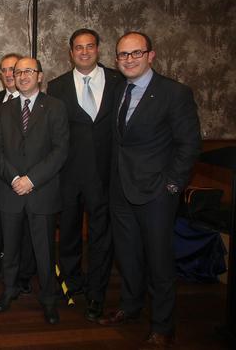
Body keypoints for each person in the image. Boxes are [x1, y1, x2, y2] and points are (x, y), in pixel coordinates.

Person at [98, 32, 201, 347]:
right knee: (128, 256)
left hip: (156, 193)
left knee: (159, 261)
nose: (129, 60)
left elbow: (189, 144)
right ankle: (130, 308)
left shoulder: (174, 93)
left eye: (136, 53)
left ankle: (163, 325)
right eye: (123, 54)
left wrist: (172, 185)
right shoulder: (119, 89)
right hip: (121, 191)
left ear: (151, 55)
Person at [46, 29, 124, 321]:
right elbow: (54, 133)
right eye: (78, 47)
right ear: (71, 52)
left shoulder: (118, 81)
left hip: (106, 174)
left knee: (102, 237)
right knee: (68, 235)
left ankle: (96, 293)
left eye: (89, 46)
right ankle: (71, 283)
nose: (84, 52)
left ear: (98, 49)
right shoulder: (57, 86)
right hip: (68, 175)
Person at [0, 57, 69, 324]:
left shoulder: (55, 107)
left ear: (40, 76)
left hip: (41, 190)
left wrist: (31, 180)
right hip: (10, 190)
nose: (22, 76)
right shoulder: (3, 109)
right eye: (18, 72)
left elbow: (60, 150)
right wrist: (14, 178)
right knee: (10, 248)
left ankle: (48, 299)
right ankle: (9, 290)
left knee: (44, 251)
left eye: (28, 71)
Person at [0, 53, 36, 294]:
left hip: (27, 179)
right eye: (3, 70)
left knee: (25, 229)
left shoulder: (38, 102)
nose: (9, 74)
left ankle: (23, 275)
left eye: (13, 69)